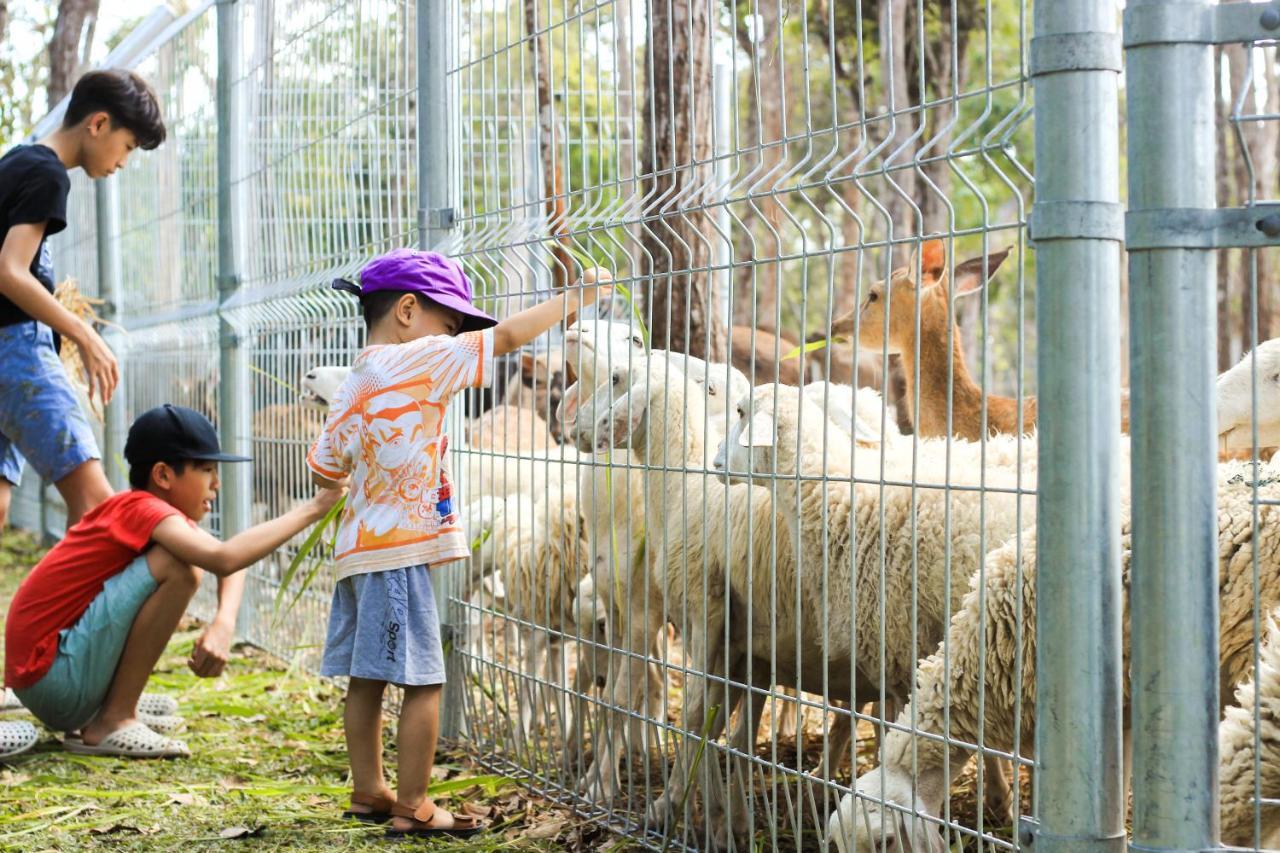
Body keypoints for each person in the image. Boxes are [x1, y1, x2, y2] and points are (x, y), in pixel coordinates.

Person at [309, 249, 608, 837]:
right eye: (450, 325)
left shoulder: (355, 377)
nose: (454, 338)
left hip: (358, 551)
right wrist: (579, 299)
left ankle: (368, 789)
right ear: (408, 309)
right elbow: (507, 337)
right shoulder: (423, 357)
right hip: (401, 552)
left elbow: (325, 469)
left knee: (367, 677)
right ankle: (415, 805)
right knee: (424, 679)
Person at [3, 404, 344, 757]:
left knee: (182, 562)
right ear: (163, 476)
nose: (216, 483)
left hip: (47, 674)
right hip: (51, 678)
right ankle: (113, 719)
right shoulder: (144, 511)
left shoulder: (144, 511)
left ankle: (111, 703)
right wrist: (314, 508)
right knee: (179, 568)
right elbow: (225, 558)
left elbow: (229, 558)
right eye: (207, 470)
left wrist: (224, 623)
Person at [0, 69, 166, 532]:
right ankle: (65, 610)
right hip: (16, 351)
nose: (123, 162)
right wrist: (85, 334)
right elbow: (10, 272)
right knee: (96, 506)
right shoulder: (48, 172)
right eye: (128, 146)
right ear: (97, 124)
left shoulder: (15, 162)